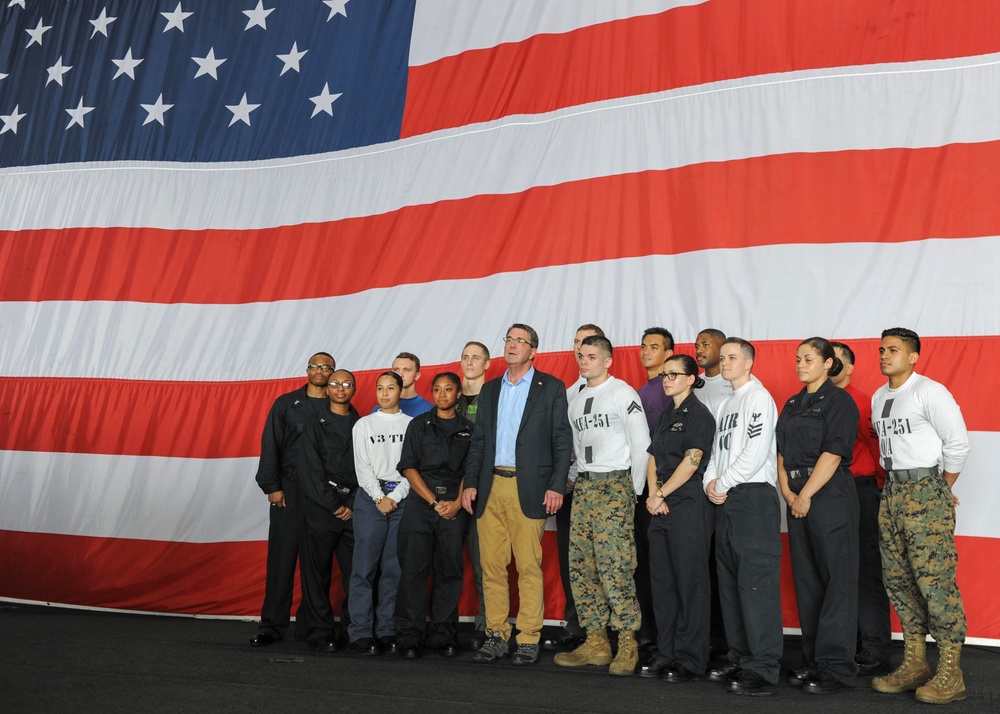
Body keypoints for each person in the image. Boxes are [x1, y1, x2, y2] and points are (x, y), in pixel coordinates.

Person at [870, 328, 971, 705]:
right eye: (881, 350)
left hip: (925, 489)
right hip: (892, 492)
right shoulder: (880, 396)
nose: (884, 355)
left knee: (934, 580)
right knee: (898, 578)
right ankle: (915, 661)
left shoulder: (929, 391)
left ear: (913, 356)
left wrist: (940, 487)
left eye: (893, 350)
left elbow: (958, 443)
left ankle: (951, 671)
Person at [462, 323, 572, 667]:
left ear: (533, 351)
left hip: (530, 488)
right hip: (490, 485)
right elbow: (479, 440)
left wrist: (556, 485)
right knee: (491, 566)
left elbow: (561, 440)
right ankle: (496, 635)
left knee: (528, 566)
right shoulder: (491, 389)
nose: (512, 345)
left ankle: (527, 638)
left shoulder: (550, 387)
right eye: (508, 339)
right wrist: (469, 482)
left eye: (520, 341)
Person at [555, 335, 650, 676]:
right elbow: (577, 451)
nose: (584, 361)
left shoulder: (621, 393)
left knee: (616, 566)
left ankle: (627, 642)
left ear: (608, 361)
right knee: (582, 566)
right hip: (585, 487)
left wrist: (635, 491)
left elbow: (641, 445)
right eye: (581, 355)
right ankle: (596, 641)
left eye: (592, 356)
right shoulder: (576, 400)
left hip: (615, 485)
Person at [776, 338, 860, 694]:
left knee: (836, 581)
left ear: (828, 363)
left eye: (808, 358)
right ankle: (814, 661)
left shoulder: (840, 401)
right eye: (798, 359)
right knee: (808, 581)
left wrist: (806, 494)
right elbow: (780, 454)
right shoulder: (793, 402)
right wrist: (789, 493)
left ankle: (836, 668)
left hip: (827, 495)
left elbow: (834, 453)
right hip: (797, 495)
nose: (800, 364)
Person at [703, 338, 782, 696]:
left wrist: (725, 481)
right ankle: (740, 656)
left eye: (733, 357)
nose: (726, 362)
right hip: (727, 500)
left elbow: (755, 451)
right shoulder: (725, 405)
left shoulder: (758, 397)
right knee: (731, 583)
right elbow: (716, 454)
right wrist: (710, 483)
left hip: (753, 498)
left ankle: (763, 667)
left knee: (756, 585)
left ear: (749, 363)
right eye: (724, 358)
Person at [250, 352, 335, 647]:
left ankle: (313, 628)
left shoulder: (339, 406)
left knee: (318, 565)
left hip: (323, 494)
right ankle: (271, 626)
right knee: (281, 561)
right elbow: (270, 444)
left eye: (326, 367)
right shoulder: (286, 404)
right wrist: (272, 486)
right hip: (289, 490)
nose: (320, 370)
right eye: (315, 365)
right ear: (307, 370)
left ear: (333, 372)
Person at [640, 354, 715, 682]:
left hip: (686, 504)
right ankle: (667, 652)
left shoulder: (698, 415)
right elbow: (653, 456)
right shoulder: (667, 414)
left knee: (690, 584)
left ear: (690, 378)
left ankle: (690, 659)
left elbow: (692, 461)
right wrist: (654, 493)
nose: (666, 379)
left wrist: (661, 494)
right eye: (664, 375)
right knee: (663, 584)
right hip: (662, 505)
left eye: (673, 374)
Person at [394, 372, 474, 658]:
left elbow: (470, 470)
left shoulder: (469, 429)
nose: (442, 394)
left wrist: (454, 503)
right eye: (437, 389)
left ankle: (443, 634)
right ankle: (409, 635)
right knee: (413, 570)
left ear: (458, 393)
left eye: (448, 389)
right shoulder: (418, 425)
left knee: (449, 571)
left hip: (455, 505)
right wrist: (433, 502)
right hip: (421, 505)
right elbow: (409, 467)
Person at [830, 341, 892, 676]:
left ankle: (875, 648)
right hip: (827, 495)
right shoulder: (815, 401)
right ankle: (843, 644)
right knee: (835, 573)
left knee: (865, 573)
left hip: (860, 492)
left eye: (839, 360)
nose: (833, 365)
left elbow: (879, 449)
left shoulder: (861, 401)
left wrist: (879, 491)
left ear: (850, 367)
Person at [544, 324, 604, 653]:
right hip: (570, 490)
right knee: (573, 562)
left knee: (605, 561)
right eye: (578, 343)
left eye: (589, 343)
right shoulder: (566, 395)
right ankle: (576, 626)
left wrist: (573, 473)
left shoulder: (616, 392)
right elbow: (560, 445)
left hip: (601, 489)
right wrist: (562, 479)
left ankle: (608, 630)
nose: (582, 348)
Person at [349, 372, 413, 655]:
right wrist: (379, 497)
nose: (384, 393)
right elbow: (362, 467)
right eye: (380, 388)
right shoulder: (363, 425)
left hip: (401, 499)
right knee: (364, 568)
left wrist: (394, 496)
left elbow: (414, 468)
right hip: (371, 500)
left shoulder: (413, 425)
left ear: (402, 390)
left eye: (391, 388)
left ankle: (386, 629)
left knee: (394, 568)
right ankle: (361, 631)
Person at [297, 369, 361, 652]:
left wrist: (351, 504)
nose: (340, 388)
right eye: (335, 383)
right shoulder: (313, 423)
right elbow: (310, 468)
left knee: (355, 573)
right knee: (316, 573)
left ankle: (352, 628)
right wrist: (334, 505)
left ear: (354, 389)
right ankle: (321, 631)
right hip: (322, 508)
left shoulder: (362, 423)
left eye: (347, 384)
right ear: (327, 388)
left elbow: (368, 469)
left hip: (353, 508)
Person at [632, 327, 674, 652]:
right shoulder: (641, 391)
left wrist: (657, 490)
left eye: (654, 346)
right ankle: (649, 633)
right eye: (644, 346)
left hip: (662, 490)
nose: (647, 351)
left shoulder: (667, 389)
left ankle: (664, 638)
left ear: (669, 354)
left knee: (662, 566)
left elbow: (663, 446)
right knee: (643, 564)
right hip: (641, 489)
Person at [457, 341, 490, 649]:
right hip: (449, 494)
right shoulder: (448, 396)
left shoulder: (495, 397)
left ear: (487, 364)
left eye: (475, 357)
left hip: (483, 492)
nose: (469, 362)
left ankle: (487, 624)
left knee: (484, 563)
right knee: (445, 563)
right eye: (465, 357)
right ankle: (442, 625)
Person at [370, 352, 433, 417]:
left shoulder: (429, 410)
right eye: (396, 370)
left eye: (406, 370)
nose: (400, 374)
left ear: (417, 376)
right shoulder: (377, 410)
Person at [693, 329, 731, 417]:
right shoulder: (693, 384)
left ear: (722, 348)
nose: (698, 351)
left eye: (705, 345)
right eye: (697, 346)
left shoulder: (741, 381)